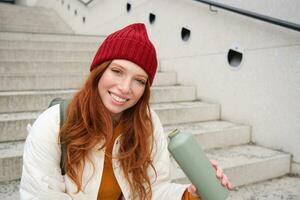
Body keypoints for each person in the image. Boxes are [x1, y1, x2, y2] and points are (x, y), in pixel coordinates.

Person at [20, 23, 232, 200]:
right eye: (117, 71)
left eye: (139, 81)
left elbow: (153, 191)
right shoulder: (53, 124)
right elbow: (40, 195)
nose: (125, 88)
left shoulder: (148, 124)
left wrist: (191, 194)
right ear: (99, 72)